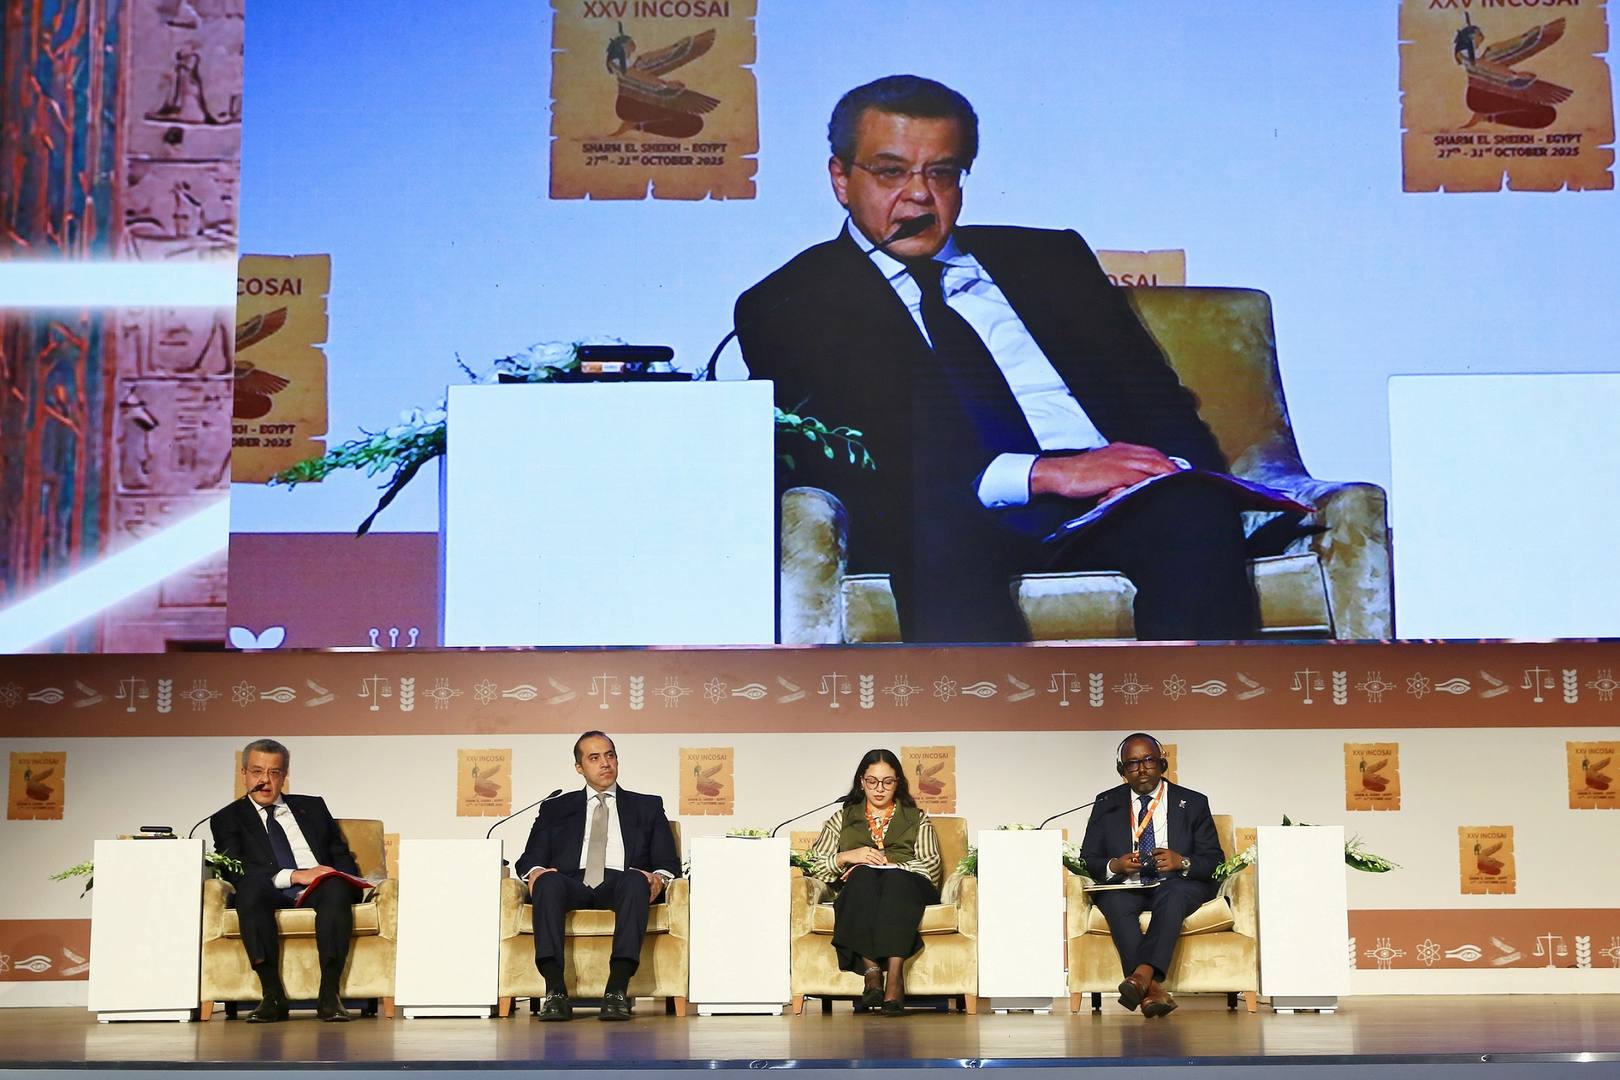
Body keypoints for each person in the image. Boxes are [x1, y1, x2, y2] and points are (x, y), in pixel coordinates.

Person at [735, 74, 1259, 643]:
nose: (919, 196)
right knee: (935, 528)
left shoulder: (1051, 259)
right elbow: (858, 458)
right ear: (841, 178)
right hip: (958, 516)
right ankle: (987, 704)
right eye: (891, 172)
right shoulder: (790, 302)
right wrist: (1045, 474)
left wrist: (1160, 472)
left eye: (941, 173)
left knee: (1193, 511)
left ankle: (1191, 703)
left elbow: (1159, 401)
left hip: (1111, 506)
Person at [514, 731, 681, 1021]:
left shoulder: (647, 805)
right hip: (570, 882)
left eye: (610, 755)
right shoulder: (555, 808)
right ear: (579, 767)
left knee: (636, 880)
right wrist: (536, 872)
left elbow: (667, 863)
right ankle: (555, 991)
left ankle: (617, 989)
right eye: (594, 758)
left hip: (620, 882)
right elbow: (530, 860)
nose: (605, 763)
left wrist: (659, 878)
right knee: (547, 882)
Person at [209, 738, 365, 1023]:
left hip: (318, 886)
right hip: (268, 887)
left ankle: (329, 995)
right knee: (249, 891)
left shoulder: (313, 807)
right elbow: (237, 870)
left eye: (274, 772)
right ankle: (272, 996)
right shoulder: (227, 818)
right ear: (244, 774)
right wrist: (293, 875)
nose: (264, 781)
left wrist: (346, 878)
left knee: (335, 888)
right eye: (257, 772)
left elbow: (339, 854)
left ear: (284, 776)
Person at [1078, 732, 1225, 1019]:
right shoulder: (1107, 802)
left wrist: (1182, 861)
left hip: (1177, 883)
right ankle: (1153, 990)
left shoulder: (1193, 802)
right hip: (1126, 885)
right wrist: (1115, 866)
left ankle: (1140, 976)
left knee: (1172, 895)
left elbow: (1214, 860)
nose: (1142, 769)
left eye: (1148, 760)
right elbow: (1088, 858)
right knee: (1115, 902)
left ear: (1162, 764)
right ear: (1122, 770)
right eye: (1132, 763)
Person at [803, 749, 943, 1015]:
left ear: (898, 782)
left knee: (895, 881)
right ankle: (872, 973)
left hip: (908, 889)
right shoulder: (841, 819)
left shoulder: (917, 818)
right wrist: (847, 857)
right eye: (872, 781)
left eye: (887, 782)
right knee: (862, 876)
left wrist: (891, 865)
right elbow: (813, 865)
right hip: (861, 889)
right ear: (861, 782)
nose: (879, 789)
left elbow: (931, 866)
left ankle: (894, 977)